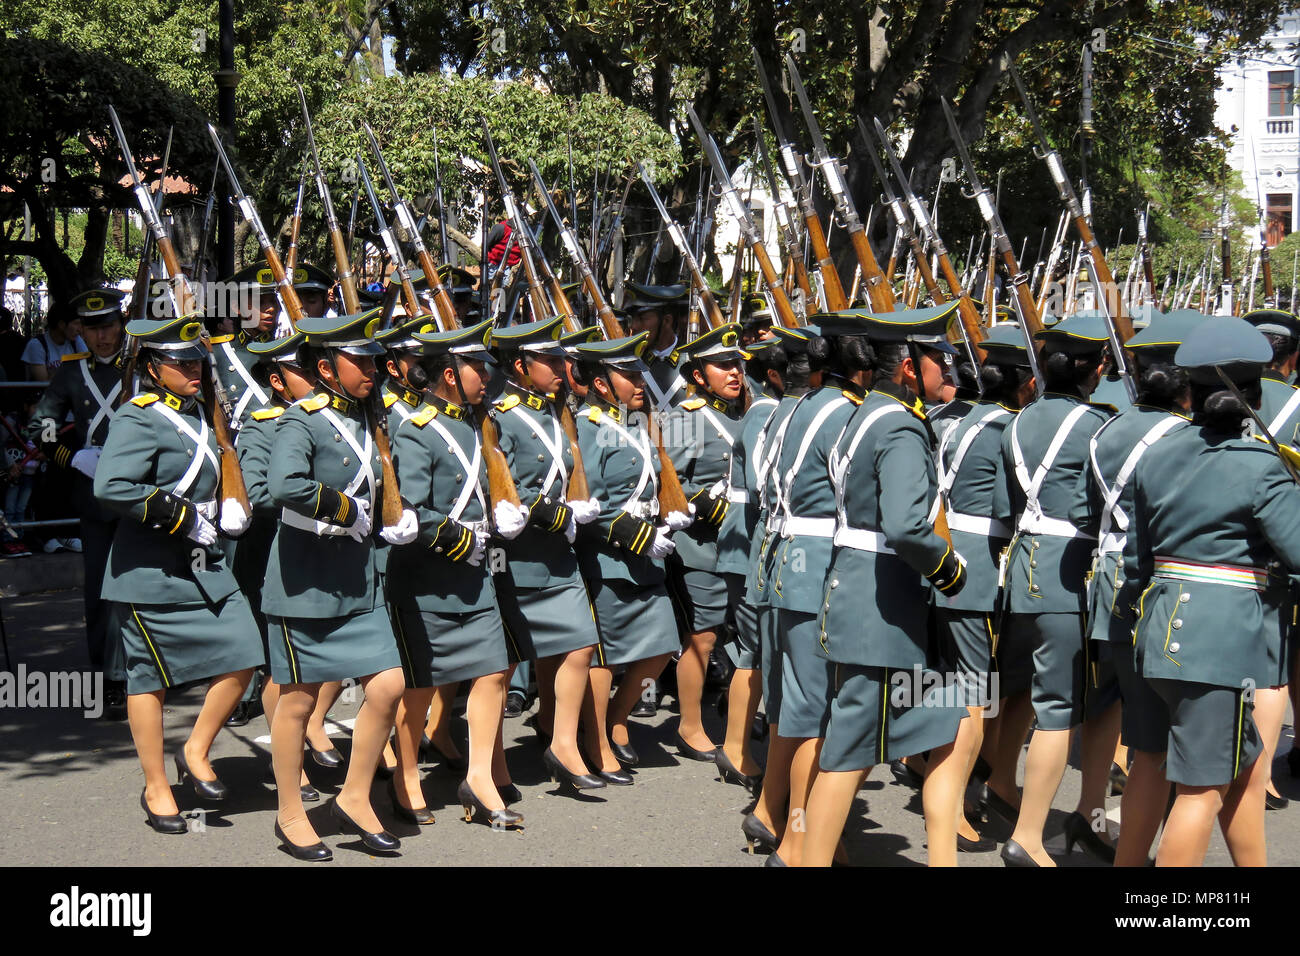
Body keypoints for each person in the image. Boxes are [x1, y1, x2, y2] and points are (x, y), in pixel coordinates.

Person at [1114, 317, 1300, 866]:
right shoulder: (1260, 465)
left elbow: (1136, 560)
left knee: (1163, 763)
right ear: (1257, 394)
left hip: (1155, 629)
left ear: (1189, 391)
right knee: (1202, 789)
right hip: (1219, 641)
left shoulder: (1158, 455)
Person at [801, 304, 971, 868]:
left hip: (861, 594)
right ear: (907, 368)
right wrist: (947, 568)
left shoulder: (864, 413)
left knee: (947, 714)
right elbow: (904, 526)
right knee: (849, 752)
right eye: (936, 360)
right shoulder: (898, 423)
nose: (945, 369)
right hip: (881, 608)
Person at [93, 314, 263, 834]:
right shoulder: (138, 417)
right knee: (149, 679)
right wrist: (180, 514)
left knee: (245, 653)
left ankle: (194, 749)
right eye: (181, 362)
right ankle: (156, 784)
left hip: (203, 568)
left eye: (199, 362)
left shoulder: (204, 416)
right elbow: (112, 485)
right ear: (151, 367)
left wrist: (229, 503)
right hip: (149, 570)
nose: (194, 370)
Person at [262, 309, 409, 860]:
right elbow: (284, 485)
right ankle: (291, 814)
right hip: (306, 579)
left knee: (389, 684)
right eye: (360, 360)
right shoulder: (303, 419)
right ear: (326, 367)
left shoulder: (374, 417)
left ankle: (353, 796)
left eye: (374, 359)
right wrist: (348, 509)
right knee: (298, 703)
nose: (373, 368)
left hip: (357, 578)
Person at [1071, 309, 1202, 865]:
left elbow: (1087, 507)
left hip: (1105, 581)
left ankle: (1089, 810)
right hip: (1158, 586)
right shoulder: (1186, 436)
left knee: (1107, 704)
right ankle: (1152, 842)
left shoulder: (1105, 428)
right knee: (1161, 725)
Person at [386, 318, 529, 826]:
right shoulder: (416, 431)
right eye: (476, 368)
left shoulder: (478, 423)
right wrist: (464, 537)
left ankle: (480, 775)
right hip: (429, 578)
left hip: (477, 576)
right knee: (421, 685)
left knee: (491, 673)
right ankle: (405, 778)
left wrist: (505, 512)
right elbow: (409, 509)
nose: (486, 377)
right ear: (449, 374)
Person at [994, 312, 1117, 867]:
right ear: (1095, 370)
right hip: (1073, 572)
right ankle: (1027, 835)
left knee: (1077, 696)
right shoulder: (1099, 426)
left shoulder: (1017, 421)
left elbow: (1005, 506)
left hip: (1025, 568)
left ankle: (1088, 816)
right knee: (1060, 708)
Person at [753, 318, 869, 867]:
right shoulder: (848, 416)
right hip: (821, 569)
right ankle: (801, 838)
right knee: (817, 720)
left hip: (782, 563)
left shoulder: (788, 409)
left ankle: (785, 821)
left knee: (793, 711)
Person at [490, 315, 607, 789]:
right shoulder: (500, 417)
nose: (562, 367)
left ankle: (562, 743)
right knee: (502, 666)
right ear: (521, 365)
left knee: (579, 645)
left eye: (562, 359)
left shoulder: (559, 413)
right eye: (550, 360)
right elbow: (502, 485)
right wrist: (556, 514)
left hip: (558, 558)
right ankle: (486, 756)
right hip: (517, 557)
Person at [932, 323, 1037, 852]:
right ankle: (951, 806)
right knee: (972, 698)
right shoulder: (1011, 429)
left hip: (940, 559)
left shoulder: (950, 418)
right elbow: (1009, 508)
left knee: (957, 687)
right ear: (1025, 385)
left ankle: (969, 787)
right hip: (976, 570)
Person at [571, 331, 687, 780]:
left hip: (645, 555)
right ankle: (596, 737)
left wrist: (671, 511)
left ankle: (619, 716)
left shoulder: (638, 422)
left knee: (662, 644)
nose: (640, 381)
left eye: (639, 370)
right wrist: (640, 537)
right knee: (605, 656)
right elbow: (591, 505)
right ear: (602, 383)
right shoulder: (587, 427)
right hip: (609, 556)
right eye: (628, 374)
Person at [231, 331, 332, 802]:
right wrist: (324, 501)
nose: (313, 378)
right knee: (282, 667)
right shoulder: (261, 426)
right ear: (276, 380)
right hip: (275, 552)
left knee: (328, 655)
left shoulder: (332, 418)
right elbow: (259, 490)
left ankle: (318, 736)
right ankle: (292, 769)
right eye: (302, 372)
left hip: (327, 551)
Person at [25, 288, 130, 717]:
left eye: (108, 326)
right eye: (92, 329)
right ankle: (109, 676)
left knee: (147, 585)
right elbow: (39, 424)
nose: (102, 337)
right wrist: (73, 457)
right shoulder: (72, 372)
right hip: (94, 495)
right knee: (101, 591)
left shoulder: (143, 364)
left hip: (142, 492)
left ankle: (149, 669)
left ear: (121, 324)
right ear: (80, 331)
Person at [663, 323, 747, 761]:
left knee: (748, 636)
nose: (734, 372)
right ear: (698, 375)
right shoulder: (683, 418)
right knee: (703, 638)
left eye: (737, 364)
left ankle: (737, 711)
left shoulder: (746, 415)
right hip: (702, 548)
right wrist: (702, 504)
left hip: (744, 547)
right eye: (722, 366)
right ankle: (689, 726)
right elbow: (666, 481)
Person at [714, 337, 784, 793]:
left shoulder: (769, 412)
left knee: (754, 650)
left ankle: (737, 746)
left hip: (753, 543)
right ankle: (737, 749)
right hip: (748, 545)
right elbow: (766, 486)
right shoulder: (763, 414)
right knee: (754, 649)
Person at [1242, 307, 1300, 808]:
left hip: (1207, 550)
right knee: (1274, 668)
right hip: (1277, 553)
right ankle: (1261, 776)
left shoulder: (1213, 394)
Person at [210, 262, 279, 431]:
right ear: (237, 307)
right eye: (260, 301)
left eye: (272, 300)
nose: (270, 308)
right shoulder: (218, 352)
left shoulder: (284, 351)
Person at [623, 283, 689, 410]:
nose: (634, 326)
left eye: (642, 318)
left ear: (666, 321)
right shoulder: (629, 364)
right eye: (633, 319)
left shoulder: (691, 359)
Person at [21, 304, 84, 381]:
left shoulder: (76, 341)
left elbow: (88, 371)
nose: (80, 329)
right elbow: (44, 382)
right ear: (61, 325)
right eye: (76, 324)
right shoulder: (37, 345)